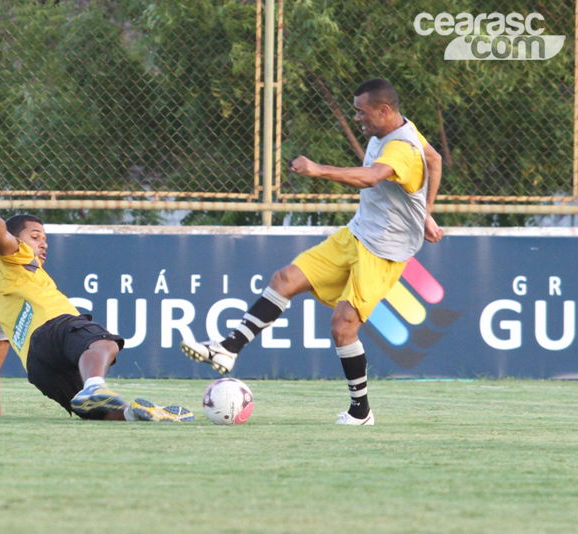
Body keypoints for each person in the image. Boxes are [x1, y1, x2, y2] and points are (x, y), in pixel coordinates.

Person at [181, 78, 444, 425]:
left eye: (361, 113)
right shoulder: (402, 132)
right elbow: (435, 158)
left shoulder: (401, 148)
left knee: (342, 327)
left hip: (384, 251)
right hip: (357, 233)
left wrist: (318, 169)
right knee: (285, 278)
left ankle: (361, 412)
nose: (357, 119)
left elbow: (371, 178)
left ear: (384, 110)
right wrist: (425, 212)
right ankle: (228, 349)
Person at [0, 177, 193, 422]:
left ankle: (133, 414)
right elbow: (1, 239)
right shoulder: (17, 259)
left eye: (45, 239)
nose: (44, 243)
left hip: (39, 368)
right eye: (36, 236)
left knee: (100, 413)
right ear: (18, 241)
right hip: (54, 329)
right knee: (105, 343)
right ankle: (94, 385)